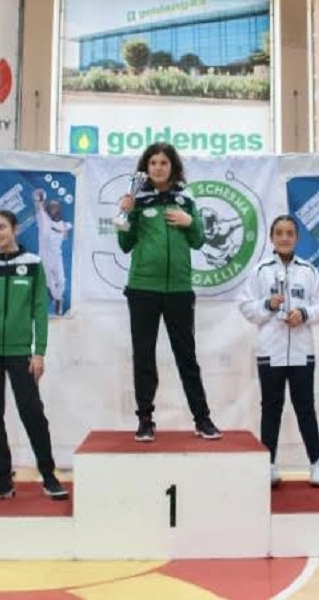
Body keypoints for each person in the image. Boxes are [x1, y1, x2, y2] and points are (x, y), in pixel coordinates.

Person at [116, 142, 221, 442]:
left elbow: (198, 241)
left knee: (187, 356)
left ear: (173, 166)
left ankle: (202, 419)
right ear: (145, 168)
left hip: (179, 290)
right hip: (142, 289)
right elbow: (125, 246)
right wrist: (127, 215)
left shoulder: (186, 199)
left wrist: (191, 222)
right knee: (144, 357)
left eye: (164, 162)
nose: (158, 168)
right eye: (153, 163)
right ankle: (145, 420)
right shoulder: (137, 199)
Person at [0, 210, 67, 502]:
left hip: (20, 351)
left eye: (2, 227)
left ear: (14, 229)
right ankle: (3, 479)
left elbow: (40, 310)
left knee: (32, 413)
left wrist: (39, 353)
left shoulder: (33, 263)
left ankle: (48, 475)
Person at [239, 215, 319, 487]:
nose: (285, 237)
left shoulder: (309, 271)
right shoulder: (260, 271)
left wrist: (304, 313)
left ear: (297, 238)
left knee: (305, 409)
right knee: (271, 410)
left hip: (302, 353)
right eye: (279, 233)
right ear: (271, 238)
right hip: (270, 352)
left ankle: (316, 464)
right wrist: (267, 305)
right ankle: (269, 464)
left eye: (290, 233)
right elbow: (245, 306)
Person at [33, 188, 72, 316]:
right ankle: (55, 300)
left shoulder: (62, 224)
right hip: (45, 257)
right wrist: (39, 200)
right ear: (48, 210)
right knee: (49, 282)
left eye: (56, 208)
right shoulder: (44, 221)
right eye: (52, 208)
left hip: (57, 257)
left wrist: (64, 231)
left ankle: (57, 299)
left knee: (62, 281)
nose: (55, 210)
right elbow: (39, 209)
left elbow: (65, 235)